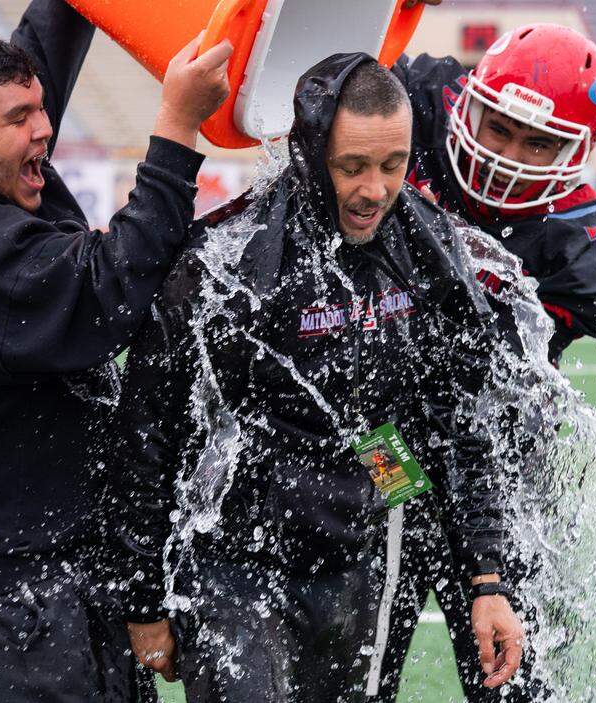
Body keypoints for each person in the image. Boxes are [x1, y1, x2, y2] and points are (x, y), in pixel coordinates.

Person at [0, 0, 232, 702]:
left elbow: (41, 49)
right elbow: (108, 290)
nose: (44, 129)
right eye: (20, 118)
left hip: (36, 567)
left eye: (41, 109)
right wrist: (177, 125)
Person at [114, 54, 523, 702]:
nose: (373, 190)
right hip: (238, 553)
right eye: (351, 166)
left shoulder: (425, 242)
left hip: (366, 537)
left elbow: (463, 415)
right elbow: (148, 432)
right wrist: (141, 599)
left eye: (392, 165)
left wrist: (486, 578)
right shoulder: (230, 260)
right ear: (308, 154)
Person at [370, 25, 596, 701]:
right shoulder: (420, 102)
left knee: (517, 686)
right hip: (381, 448)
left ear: (575, 152)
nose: (507, 154)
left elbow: (484, 376)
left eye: (538, 142)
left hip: (501, 473)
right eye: (498, 127)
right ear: (471, 100)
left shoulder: (588, 252)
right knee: (358, 668)